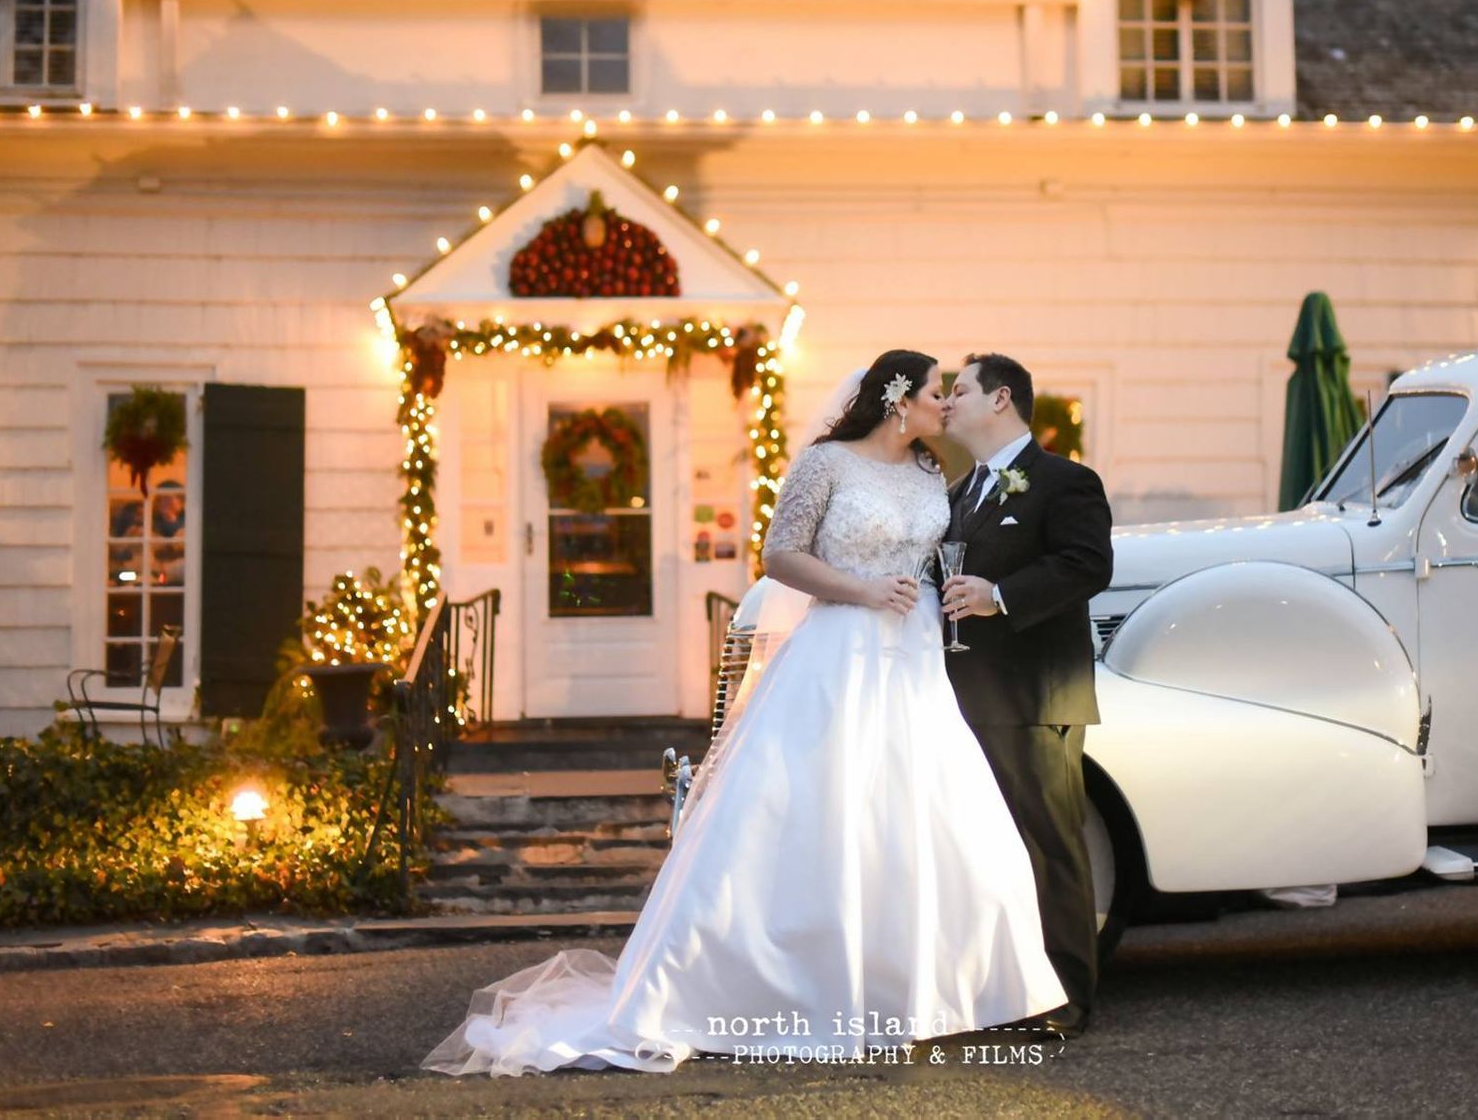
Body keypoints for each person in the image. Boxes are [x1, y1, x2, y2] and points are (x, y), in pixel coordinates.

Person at [421, 350, 1066, 1076]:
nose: (943, 405)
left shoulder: (928, 472)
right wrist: (858, 589)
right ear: (896, 400)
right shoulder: (826, 465)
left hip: (912, 657)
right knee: (818, 814)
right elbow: (778, 556)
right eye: (931, 394)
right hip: (839, 651)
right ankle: (780, 989)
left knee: (914, 815)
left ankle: (915, 993)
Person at [939, 352, 1114, 1039]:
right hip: (964, 698)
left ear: (1000, 398)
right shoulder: (958, 491)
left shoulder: (1064, 480)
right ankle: (1006, 987)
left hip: (1036, 696)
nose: (947, 403)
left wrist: (999, 596)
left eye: (958, 390)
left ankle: (1068, 997)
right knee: (990, 851)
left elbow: (1087, 564)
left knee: (1050, 845)